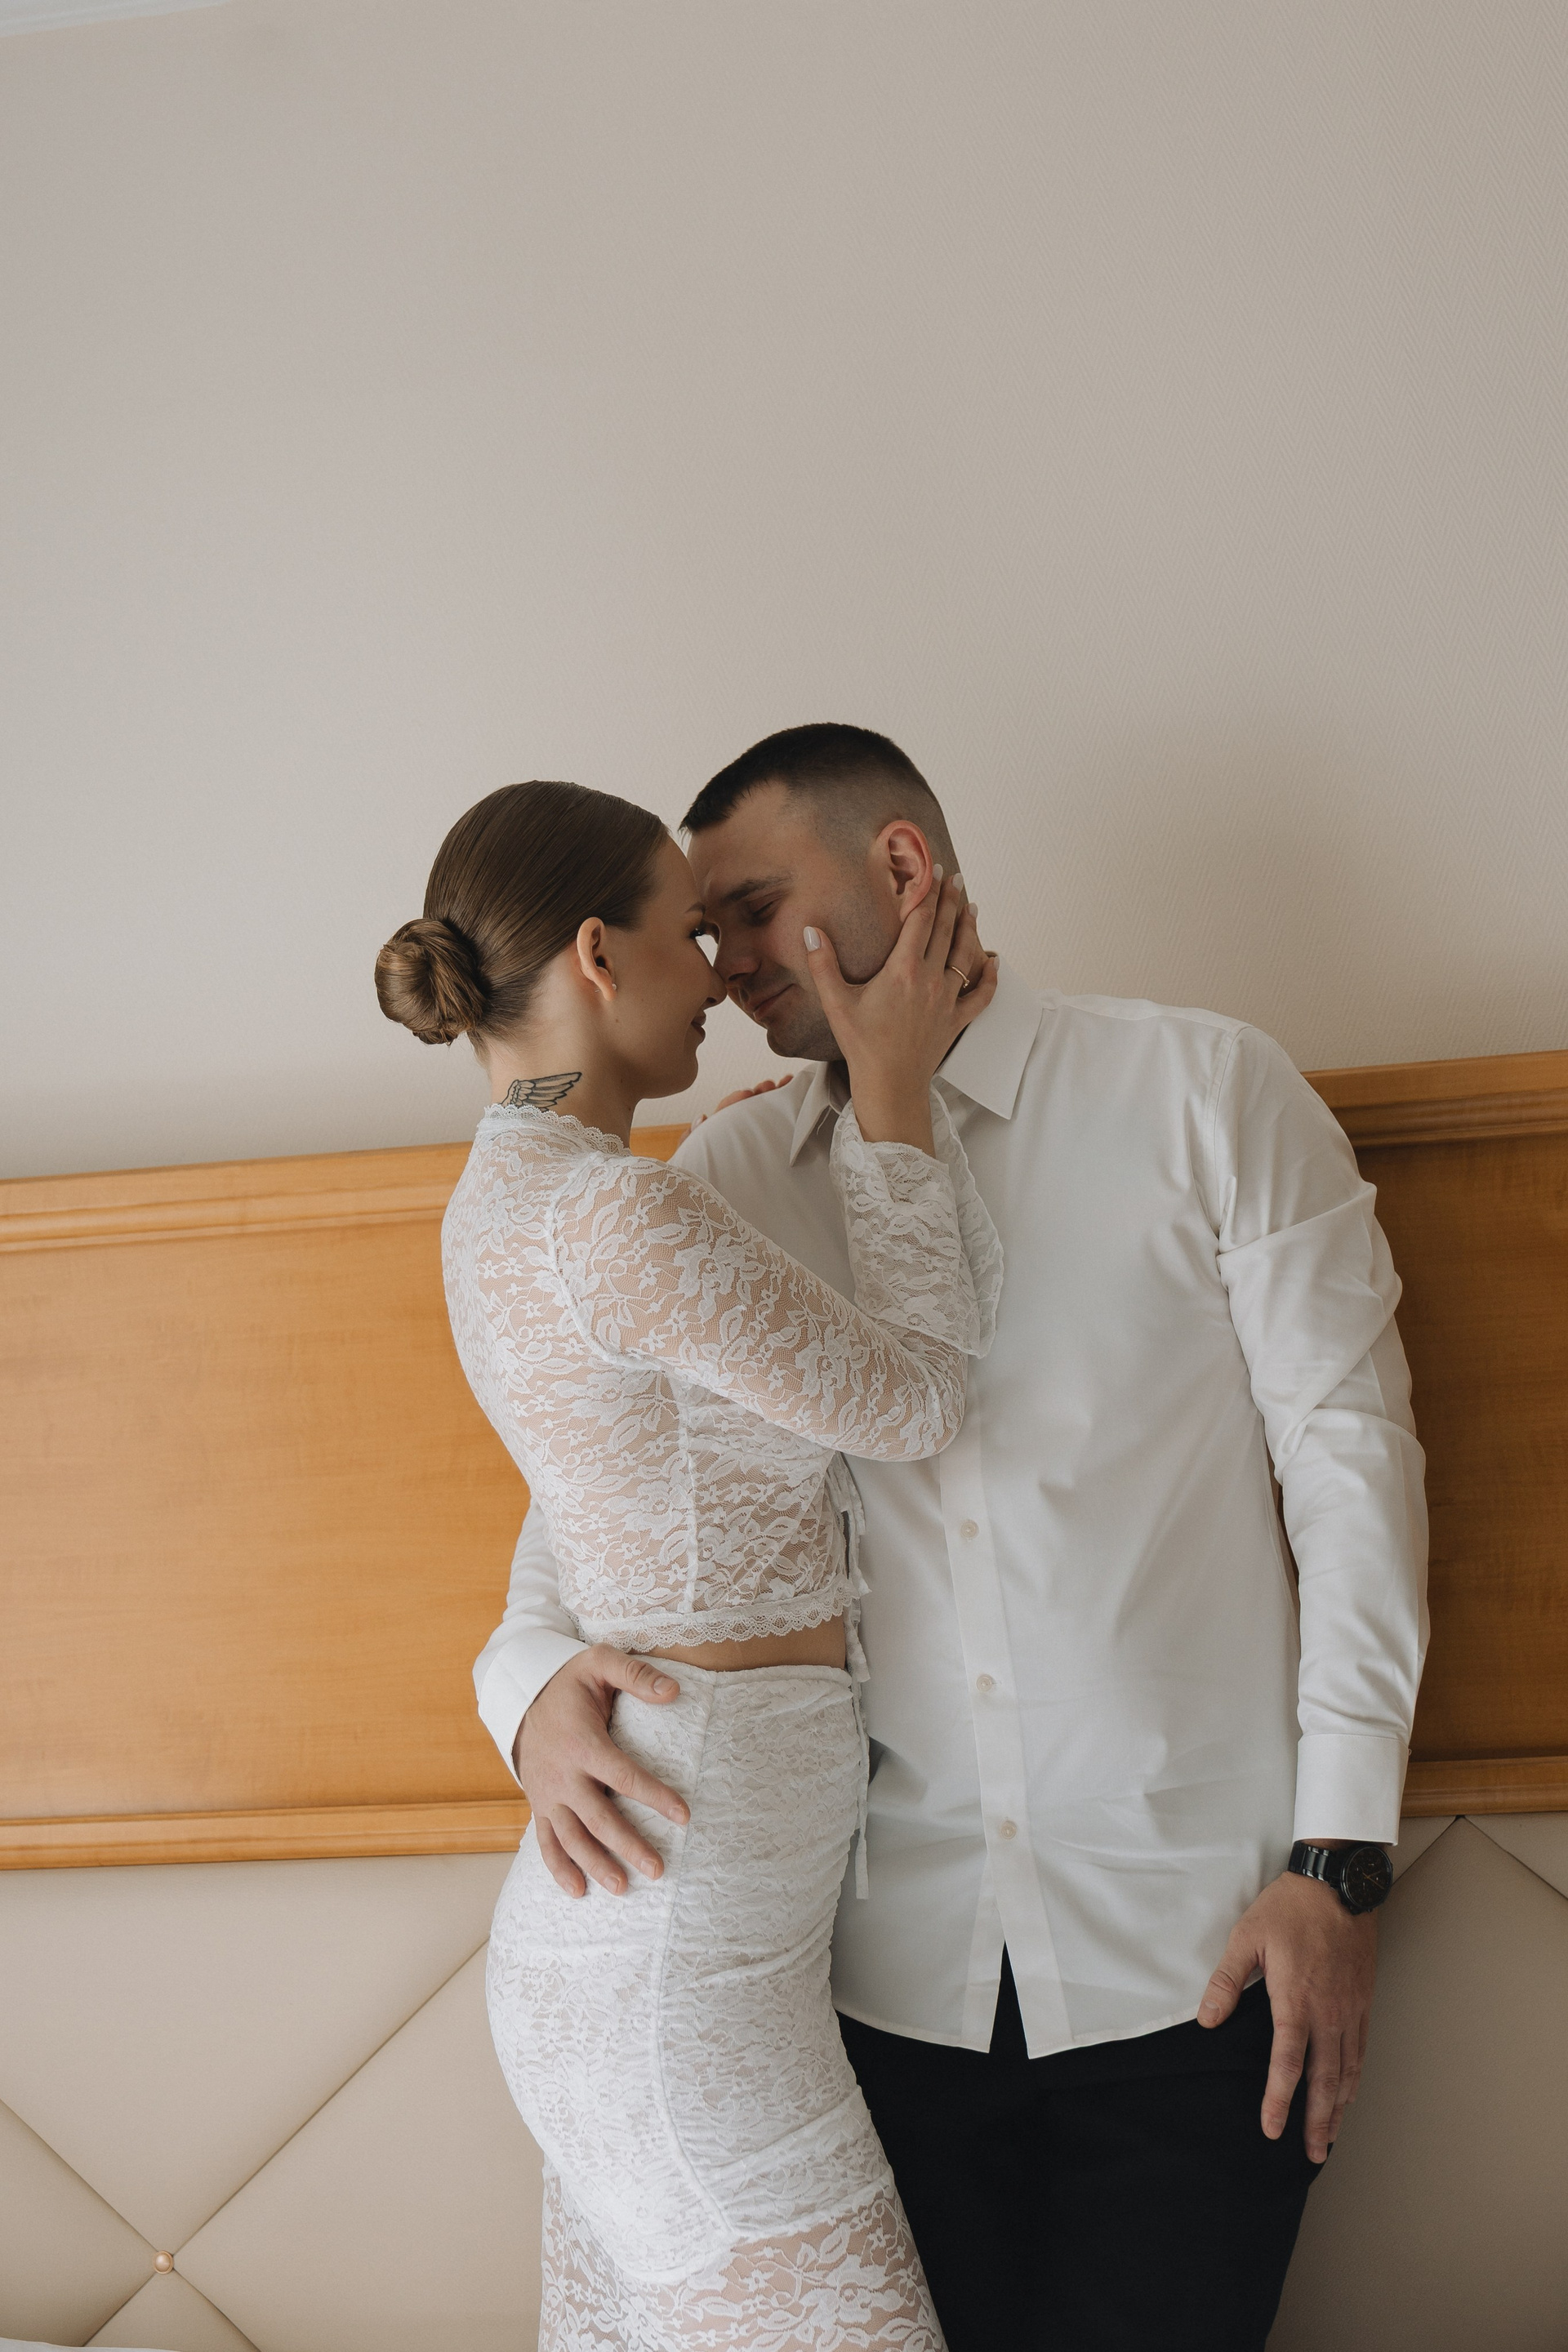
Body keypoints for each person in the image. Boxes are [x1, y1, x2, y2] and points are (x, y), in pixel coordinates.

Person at [488, 726, 1430, 2352]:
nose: (722, 968)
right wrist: (523, 1692)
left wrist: (1338, 1868)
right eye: (699, 929)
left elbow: (1354, 1468)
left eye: (752, 910)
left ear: (903, 867)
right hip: (868, 1990)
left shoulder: (1205, 1090)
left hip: (1200, 1965)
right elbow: (590, 1498)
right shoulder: (724, 1179)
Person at [376, 776, 1003, 2351]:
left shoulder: (508, 1205)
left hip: (646, 1943)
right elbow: (920, 1399)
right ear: (600, 956)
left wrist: (525, 1683)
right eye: (687, 933)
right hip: (676, 1967)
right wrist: (894, 1099)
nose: (720, 975)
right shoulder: (615, 1220)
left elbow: (604, 1490)